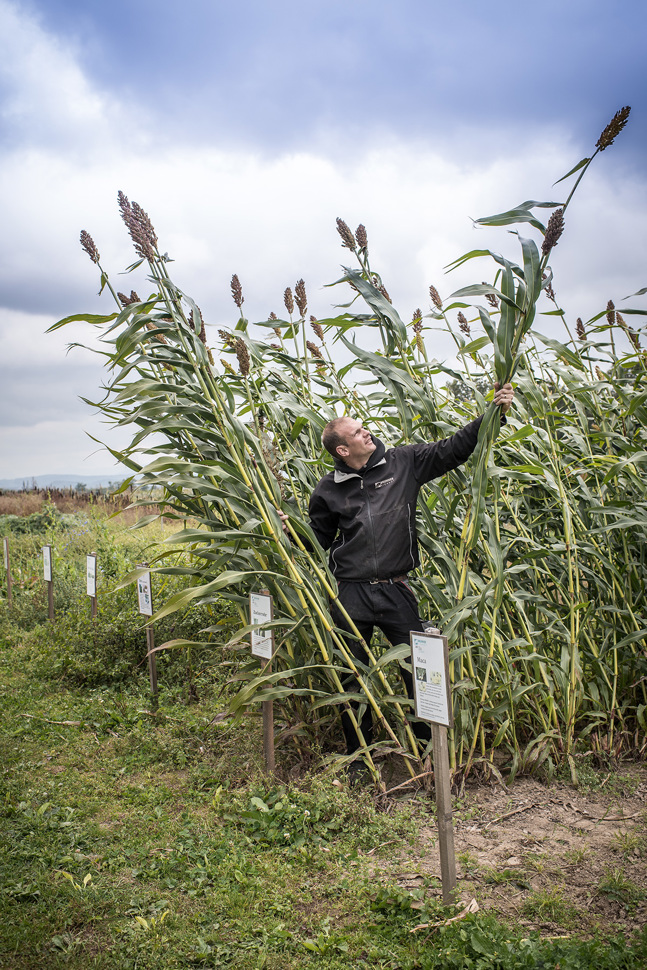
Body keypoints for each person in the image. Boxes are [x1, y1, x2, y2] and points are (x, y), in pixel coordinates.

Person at [281, 383, 514, 755]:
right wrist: (291, 531)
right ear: (343, 450)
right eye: (357, 432)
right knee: (351, 677)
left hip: (395, 589)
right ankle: (362, 755)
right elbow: (317, 541)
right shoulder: (328, 491)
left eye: (363, 426)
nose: (366, 431)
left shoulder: (403, 463)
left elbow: (452, 449)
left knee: (418, 673)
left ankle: (424, 752)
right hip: (350, 595)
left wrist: (492, 415)